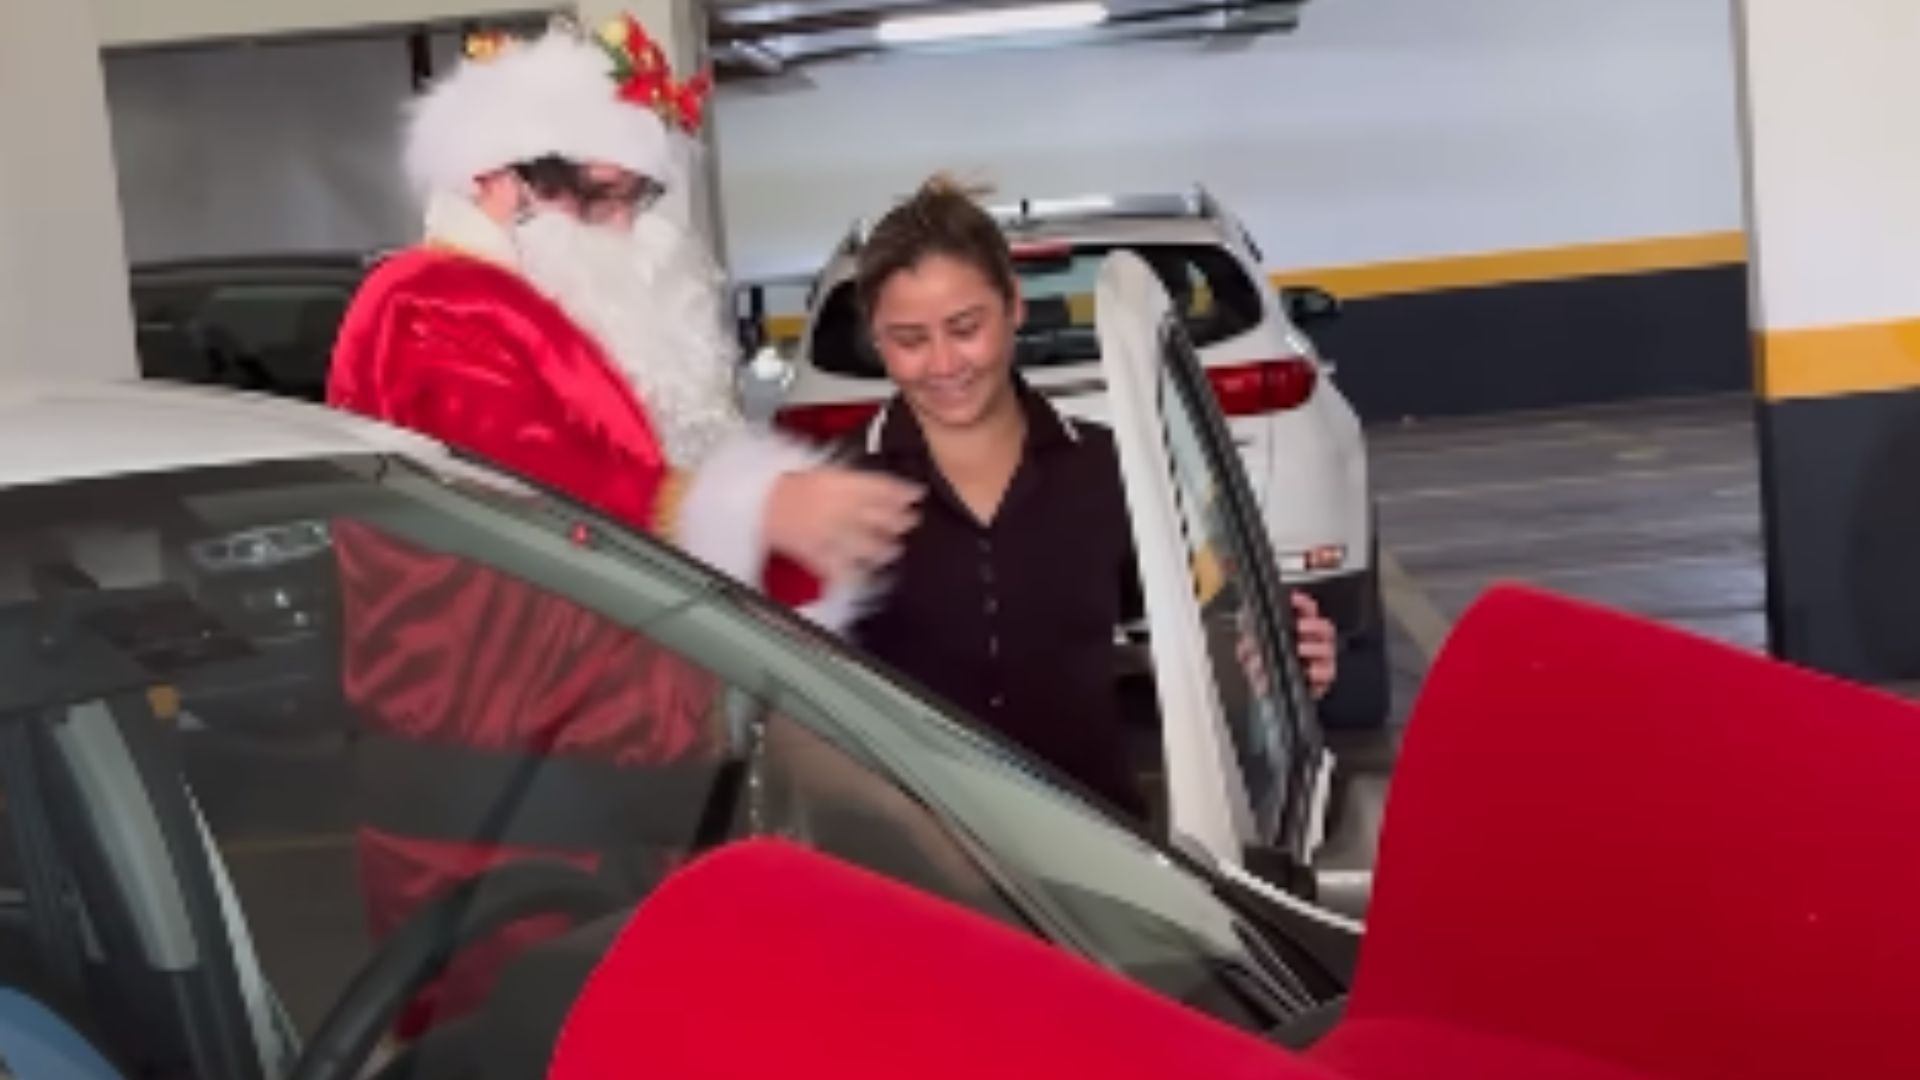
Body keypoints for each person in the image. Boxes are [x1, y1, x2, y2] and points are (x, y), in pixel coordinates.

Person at [321, 16, 919, 1037]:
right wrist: (764, 508)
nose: (626, 228)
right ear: (498, 185)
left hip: (616, 820)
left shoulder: (561, 325)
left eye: (634, 198)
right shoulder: (426, 303)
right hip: (497, 835)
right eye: (595, 197)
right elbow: (541, 488)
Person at [845, 178, 1338, 820]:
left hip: (1094, 859)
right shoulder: (839, 485)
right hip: (919, 865)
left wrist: (1279, 663)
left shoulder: (1108, 468)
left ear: (1014, 305)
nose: (943, 364)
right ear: (877, 341)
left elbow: (1212, 625)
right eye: (909, 340)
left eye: (966, 328)